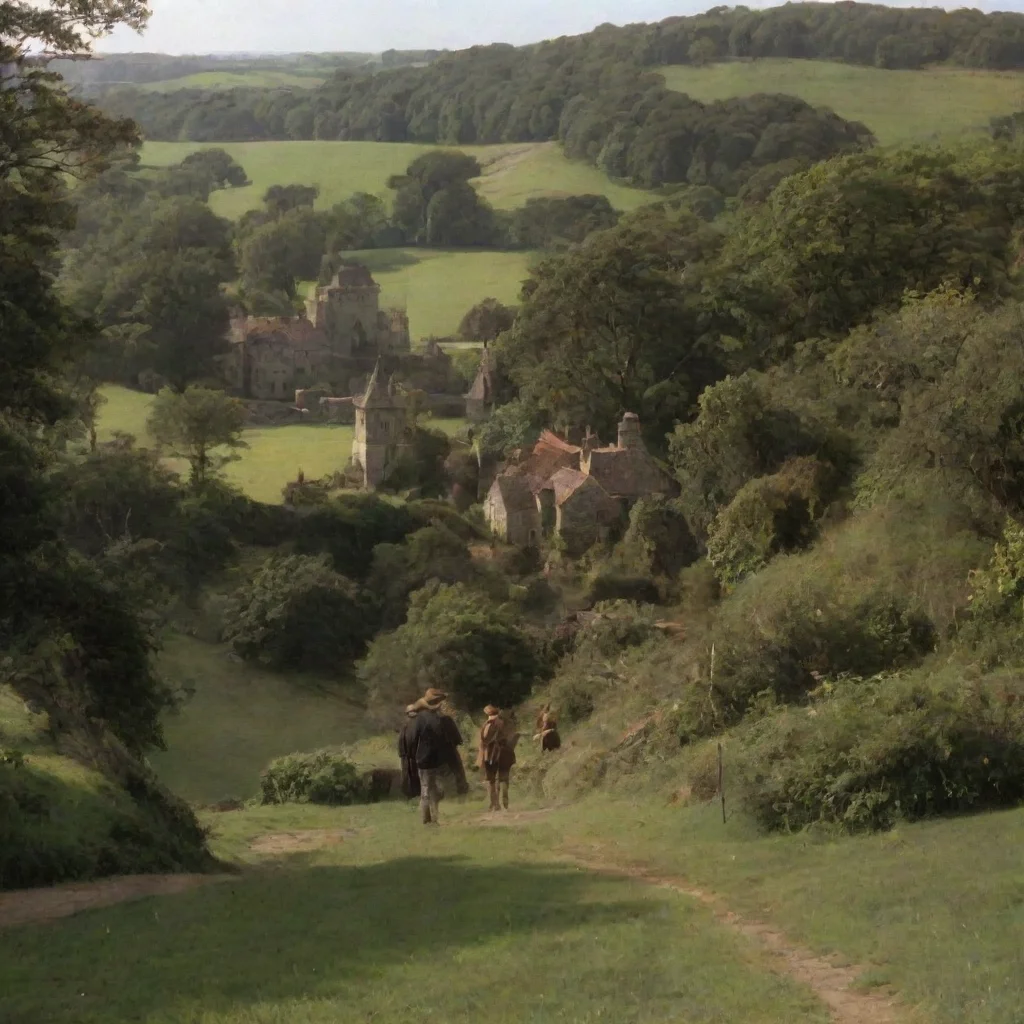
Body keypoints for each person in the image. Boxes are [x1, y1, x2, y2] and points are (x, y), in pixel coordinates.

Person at [406, 688, 465, 825]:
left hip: (424, 759)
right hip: (442, 760)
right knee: (436, 788)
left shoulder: (420, 719)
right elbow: (458, 740)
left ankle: (427, 819)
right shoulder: (446, 720)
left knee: (426, 788)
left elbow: (413, 739)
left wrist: (413, 754)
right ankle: (435, 816)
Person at [478, 705, 517, 811]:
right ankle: (505, 799)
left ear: (488, 714)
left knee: (491, 779)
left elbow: (485, 740)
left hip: (492, 754)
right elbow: (512, 736)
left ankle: (495, 804)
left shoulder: (488, 725)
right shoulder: (506, 723)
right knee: (504, 776)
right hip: (506, 753)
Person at [397, 703, 420, 800]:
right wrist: (403, 753)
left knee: (412, 774)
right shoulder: (407, 725)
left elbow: (401, 739)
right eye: (411, 712)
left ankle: (413, 794)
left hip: (413, 754)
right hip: (409, 754)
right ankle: (410, 794)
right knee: (409, 774)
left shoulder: (414, 724)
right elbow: (401, 740)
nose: (412, 714)